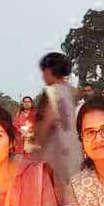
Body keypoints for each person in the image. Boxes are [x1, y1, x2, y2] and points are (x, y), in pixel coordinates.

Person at [37, 52, 83, 195]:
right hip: (74, 149)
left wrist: (37, 145)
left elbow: (47, 121)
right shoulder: (72, 92)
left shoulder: (52, 92)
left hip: (56, 151)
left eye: (43, 71)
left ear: (49, 70)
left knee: (56, 193)